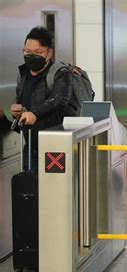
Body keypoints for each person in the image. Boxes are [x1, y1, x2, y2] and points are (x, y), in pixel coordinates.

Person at [10, 26, 71, 171]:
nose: (31, 56)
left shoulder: (60, 73)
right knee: (29, 189)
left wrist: (34, 114)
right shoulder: (23, 74)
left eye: (38, 52)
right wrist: (16, 109)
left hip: (55, 148)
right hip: (30, 146)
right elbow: (21, 99)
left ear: (49, 52)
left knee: (52, 190)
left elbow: (59, 100)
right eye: (27, 52)